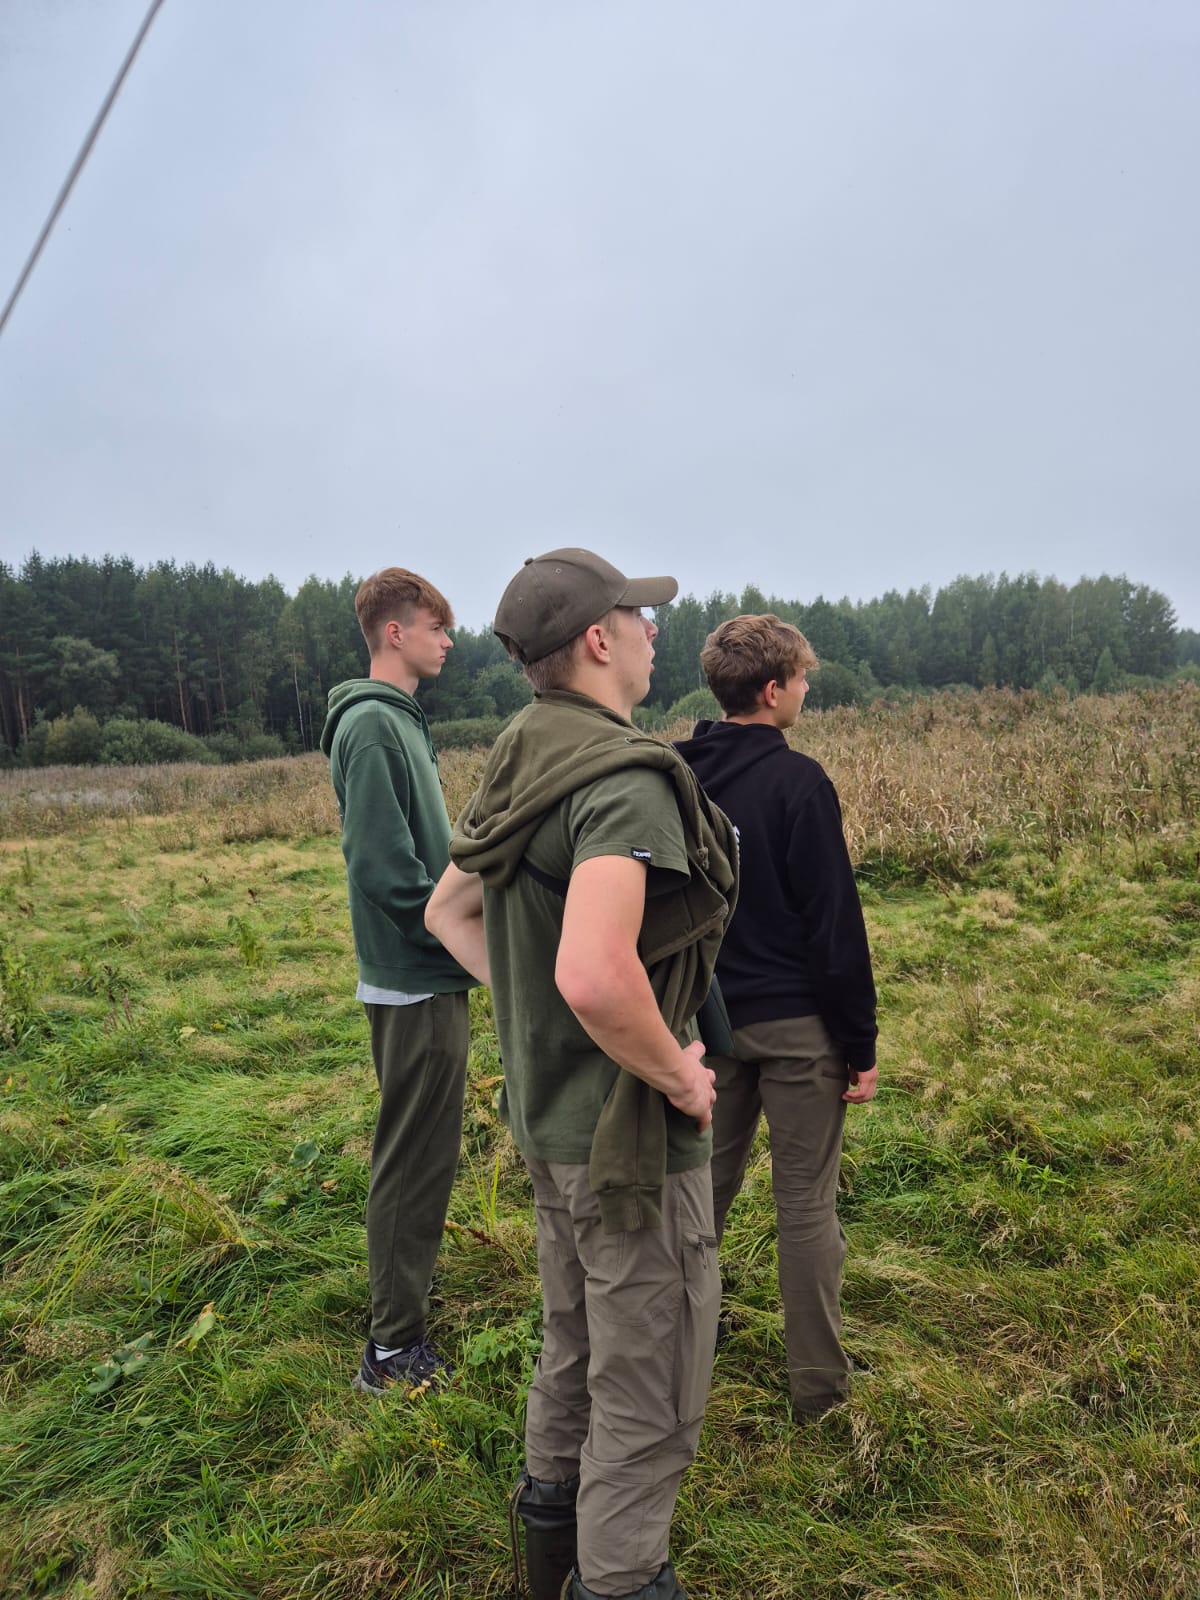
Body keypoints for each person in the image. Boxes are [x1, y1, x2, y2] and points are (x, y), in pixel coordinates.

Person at [426, 549, 738, 1600]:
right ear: (599, 640)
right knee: (649, 1388)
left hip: (547, 1126)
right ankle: (617, 1578)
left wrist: (548, 1009)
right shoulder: (622, 780)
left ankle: (549, 1559)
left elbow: (448, 911)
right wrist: (680, 1076)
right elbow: (598, 975)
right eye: (641, 618)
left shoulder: (522, 753)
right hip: (626, 1143)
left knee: (573, 1344)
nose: (653, 633)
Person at [674, 614, 878, 1422]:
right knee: (805, 1208)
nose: (805, 689)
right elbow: (834, 925)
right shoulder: (800, 783)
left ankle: (675, 1361)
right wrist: (859, 1043)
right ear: (771, 690)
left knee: (698, 1200)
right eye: (800, 678)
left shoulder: (677, 777)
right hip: (798, 1028)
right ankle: (819, 1394)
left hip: (707, 1025)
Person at [320, 568, 474, 1396]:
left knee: (423, 1152)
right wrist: (457, 939)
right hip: (416, 978)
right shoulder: (376, 725)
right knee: (413, 1159)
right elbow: (381, 865)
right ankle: (391, 1351)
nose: (448, 640)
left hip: (427, 971)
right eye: (436, 626)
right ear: (395, 632)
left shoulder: (399, 720)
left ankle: (400, 1314)